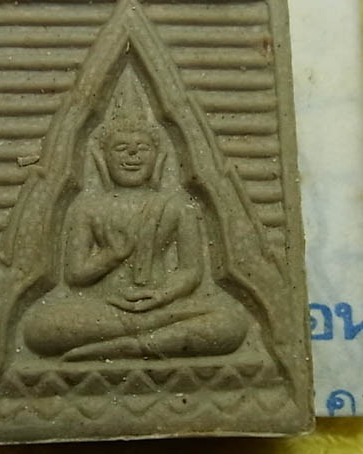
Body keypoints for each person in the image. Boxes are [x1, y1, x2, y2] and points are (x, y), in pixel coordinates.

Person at [21, 106, 248, 361]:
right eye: (121, 148)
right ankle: (156, 339)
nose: (133, 155)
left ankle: (132, 346)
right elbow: (75, 274)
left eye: (143, 148)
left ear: (158, 158)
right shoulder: (87, 207)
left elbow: (191, 271)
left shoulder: (178, 205)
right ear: (102, 159)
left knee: (231, 320)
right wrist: (111, 256)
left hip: (162, 307)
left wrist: (160, 296)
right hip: (104, 307)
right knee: (39, 327)